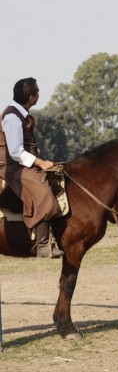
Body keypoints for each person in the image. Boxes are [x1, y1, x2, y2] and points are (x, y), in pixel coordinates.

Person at [0, 78, 64, 258]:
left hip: (20, 164)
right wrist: (40, 163)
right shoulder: (12, 117)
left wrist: (43, 160)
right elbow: (15, 152)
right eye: (37, 92)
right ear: (31, 97)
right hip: (12, 168)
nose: (39, 94)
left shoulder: (22, 113)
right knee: (41, 190)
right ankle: (42, 244)